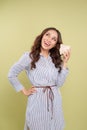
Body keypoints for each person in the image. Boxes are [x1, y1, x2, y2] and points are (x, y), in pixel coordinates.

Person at [8, 27, 70, 130]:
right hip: (37, 101)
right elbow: (11, 74)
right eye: (47, 35)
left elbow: (59, 83)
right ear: (42, 36)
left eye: (54, 39)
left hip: (55, 101)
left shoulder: (55, 59)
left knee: (55, 126)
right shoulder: (29, 56)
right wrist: (24, 91)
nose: (49, 40)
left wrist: (65, 62)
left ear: (56, 44)